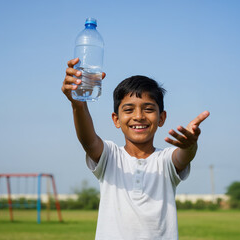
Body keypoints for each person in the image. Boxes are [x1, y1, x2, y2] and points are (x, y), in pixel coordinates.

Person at [62, 58, 210, 239]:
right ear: (116, 119)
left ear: (161, 118)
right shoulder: (110, 156)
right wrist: (78, 104)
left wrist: (190, 145)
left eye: (148, 109)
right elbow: (89, 141)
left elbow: (184, 156)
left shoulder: (165, 160)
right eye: (129, 109)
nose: (138, 116)